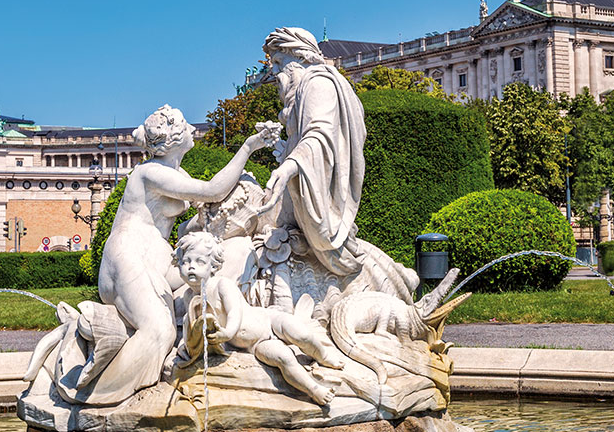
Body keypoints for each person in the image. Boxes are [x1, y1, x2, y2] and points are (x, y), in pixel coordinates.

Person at [60, 105, 276, 405]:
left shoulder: (176, 173)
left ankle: (212, 341)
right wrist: (249, 146)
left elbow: (190, 222)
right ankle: (91, 398)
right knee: (159, 330)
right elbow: (213, 190)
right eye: (186, 125)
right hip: (128, 258)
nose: (192, 130)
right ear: (173, 138)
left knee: (231, 256)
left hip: (158, 261)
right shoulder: (150, 172)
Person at [252, 28, 418, 303]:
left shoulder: (317, 83)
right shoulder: (300, 93)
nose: (276, 74)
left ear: (300, 57)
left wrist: (289, 166)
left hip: (307, 189)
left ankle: (390, 281)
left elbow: (320, 135)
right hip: (298, 192)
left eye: (280, 63)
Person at [171, 232, 343, 405]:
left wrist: (227, 333)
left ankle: (323, 355)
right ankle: (314, 389)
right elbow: (194, 324)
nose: (191, 267)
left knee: (301, 335)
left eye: (199, 261)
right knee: (283, 358)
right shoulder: (188, 297)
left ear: (213, 266)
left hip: (268, 321)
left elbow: (234, 313)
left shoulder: (222, 285)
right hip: (255, 345)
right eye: (185, 262)